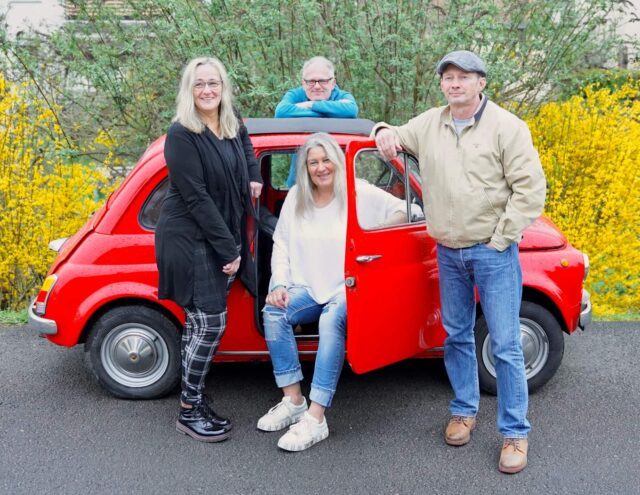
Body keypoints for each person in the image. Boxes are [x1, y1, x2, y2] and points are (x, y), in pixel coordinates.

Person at [374, 50, 546, 474]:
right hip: (448, 252)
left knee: (505, 344)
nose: (454, 84)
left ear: (481, 83)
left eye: (463, 77)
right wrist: (381, 130)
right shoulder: (429, 124)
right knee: (456, 336)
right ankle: (464, 411)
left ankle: (515, 433)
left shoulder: (507, 127)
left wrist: (500, 239)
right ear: (442, 84)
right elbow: (393, 133)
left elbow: (530, 190)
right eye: (448, 77)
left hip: (492, 251)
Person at [256, 132, 408, 452]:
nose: (321, 167)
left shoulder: (357, 192)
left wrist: (377, 236)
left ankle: (316, 417)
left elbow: (407, 211)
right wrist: (279, 284)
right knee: (273, 312)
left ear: (338, 162)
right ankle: (293, 400)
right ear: (305, 167)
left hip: (346, 287)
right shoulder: (296, 197)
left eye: (326, 160)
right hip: (307, 286)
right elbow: (280, 244)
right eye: (313, 162)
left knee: (330, 321)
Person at [155, 56, 263, 443]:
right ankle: (189, 410)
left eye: (213, 83)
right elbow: (196, 198)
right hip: (189, 237)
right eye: (199, 84)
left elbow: (246, 144)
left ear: (223, 87)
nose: (207, 90)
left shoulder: (229, 121)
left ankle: (196, 399)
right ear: (189, 89)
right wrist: (229, 249)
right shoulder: (182, 134)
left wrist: (253, 176)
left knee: (198, 325)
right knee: (211, 322)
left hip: (216, 231)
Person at [275, 56, 358, 187]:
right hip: (300, 180)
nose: (317, 86)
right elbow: (281, 112)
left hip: (338, 181)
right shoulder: (295, 94)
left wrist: (311, 105)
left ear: (333, 83)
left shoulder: (342, 95)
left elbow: (351, 110)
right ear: (303, 83)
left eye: (323, 81)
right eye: (311, 81)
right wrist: (332, 111)